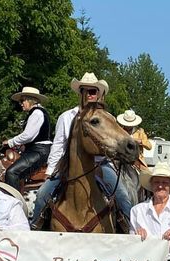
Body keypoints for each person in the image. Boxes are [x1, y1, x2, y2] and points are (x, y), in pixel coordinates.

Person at [31, 73, 134, 227]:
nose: (89, 94)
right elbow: (59, 145)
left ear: (98, 94)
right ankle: (35, 231)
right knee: (42, 195)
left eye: (93, 91)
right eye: (85, 91)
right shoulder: (66, 117)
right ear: (80, 93)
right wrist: (50, 171)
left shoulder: (107, 117)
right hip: (69, 165)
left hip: (101, 165)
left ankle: (129, 232)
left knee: (123, 196)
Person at [3, 86, 53, 193]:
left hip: (39, 150)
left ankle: (13, 203)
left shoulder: (37, 113)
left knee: (12, 172)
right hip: (37, 149)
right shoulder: (36, 112)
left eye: (22, 100)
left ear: (31, 100)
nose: (20, 103)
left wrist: (10, 142)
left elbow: (28, 135)